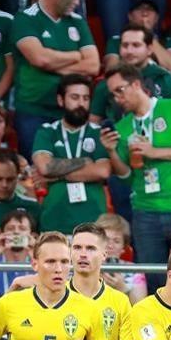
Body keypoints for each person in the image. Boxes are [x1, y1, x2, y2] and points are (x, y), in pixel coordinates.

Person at [102, 63, 171, 289]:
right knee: (154, 278)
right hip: (145, 209)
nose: (117, 98)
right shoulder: (122, 127)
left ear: (136, 84)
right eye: (113, 94)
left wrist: (155, 152)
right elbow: (126, 175)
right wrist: (111, 151)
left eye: (120, 90)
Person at [10, 0, 99, 157]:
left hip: (70, 112)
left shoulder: (77, 21)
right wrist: (75, 56)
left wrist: (52, 61)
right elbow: (39, 58)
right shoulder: (26, 19)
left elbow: (93, 65)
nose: (77, 2)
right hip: (33, 109)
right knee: (36, 173)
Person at [34, 76, 110, 236]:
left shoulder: (99, 133)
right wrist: (85, 161)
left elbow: (102, 171)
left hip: (93, 221)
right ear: (61, 100)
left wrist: (57, 176)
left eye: (86, 98)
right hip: (54, 220)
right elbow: (45, 167)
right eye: (74, 97)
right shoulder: (47, 131)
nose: (81, 103)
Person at [93, 24, 171, 125]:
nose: (129, 51)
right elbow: (93, 125)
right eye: (125, 45)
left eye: (136, 45)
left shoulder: (163, 78)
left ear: (149, 49)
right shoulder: (108, 84)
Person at [101, 0, 171, 75]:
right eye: (139, 9)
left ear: (156, 18)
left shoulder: (169, 41)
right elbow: (111, 70)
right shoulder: (116, 41)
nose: (145, 13)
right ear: (130, 16)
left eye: (150, 9)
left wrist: (147, 35)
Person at [97, 212, 147, 303]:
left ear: (124, 247)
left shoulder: (135, 271)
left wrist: (122, 288)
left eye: (116, 241)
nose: (110, 245)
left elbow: (140, 308)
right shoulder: (84, 266)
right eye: (106, 239)